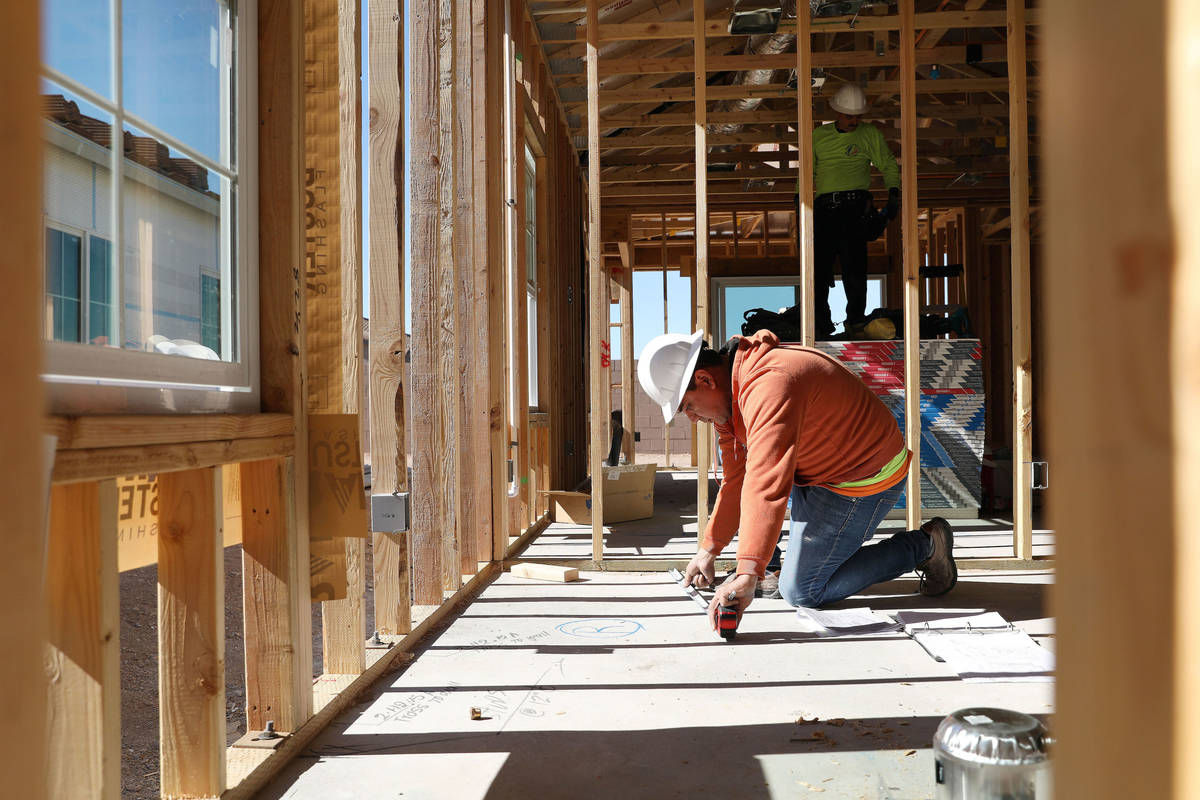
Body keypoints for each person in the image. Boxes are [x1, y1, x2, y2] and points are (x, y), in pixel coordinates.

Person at [637, 328, 956, 631]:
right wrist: (709, 549)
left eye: (687, 407)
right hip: (818, 472)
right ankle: (780, 565)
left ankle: (926, 545)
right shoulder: (729, 402)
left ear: (705, 379)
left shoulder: (770, 384)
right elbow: (738, 480)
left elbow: (766, 480)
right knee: (779, 557)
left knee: (803, 590)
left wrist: (748, 572)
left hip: (864, 474)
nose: (692, 418)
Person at [801, 83, 901, 339]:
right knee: (819, 271)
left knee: (854, 271)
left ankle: (855, 321)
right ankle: (820, 323)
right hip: (825, 209)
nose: (854, 121)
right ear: (837, 113)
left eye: (858, 116)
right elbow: (807, 170)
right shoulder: (819, 136)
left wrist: (894, 193)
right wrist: (799, 200)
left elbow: (888, 164)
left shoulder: (870, 135)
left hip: (855, 209)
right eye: (849, 116)